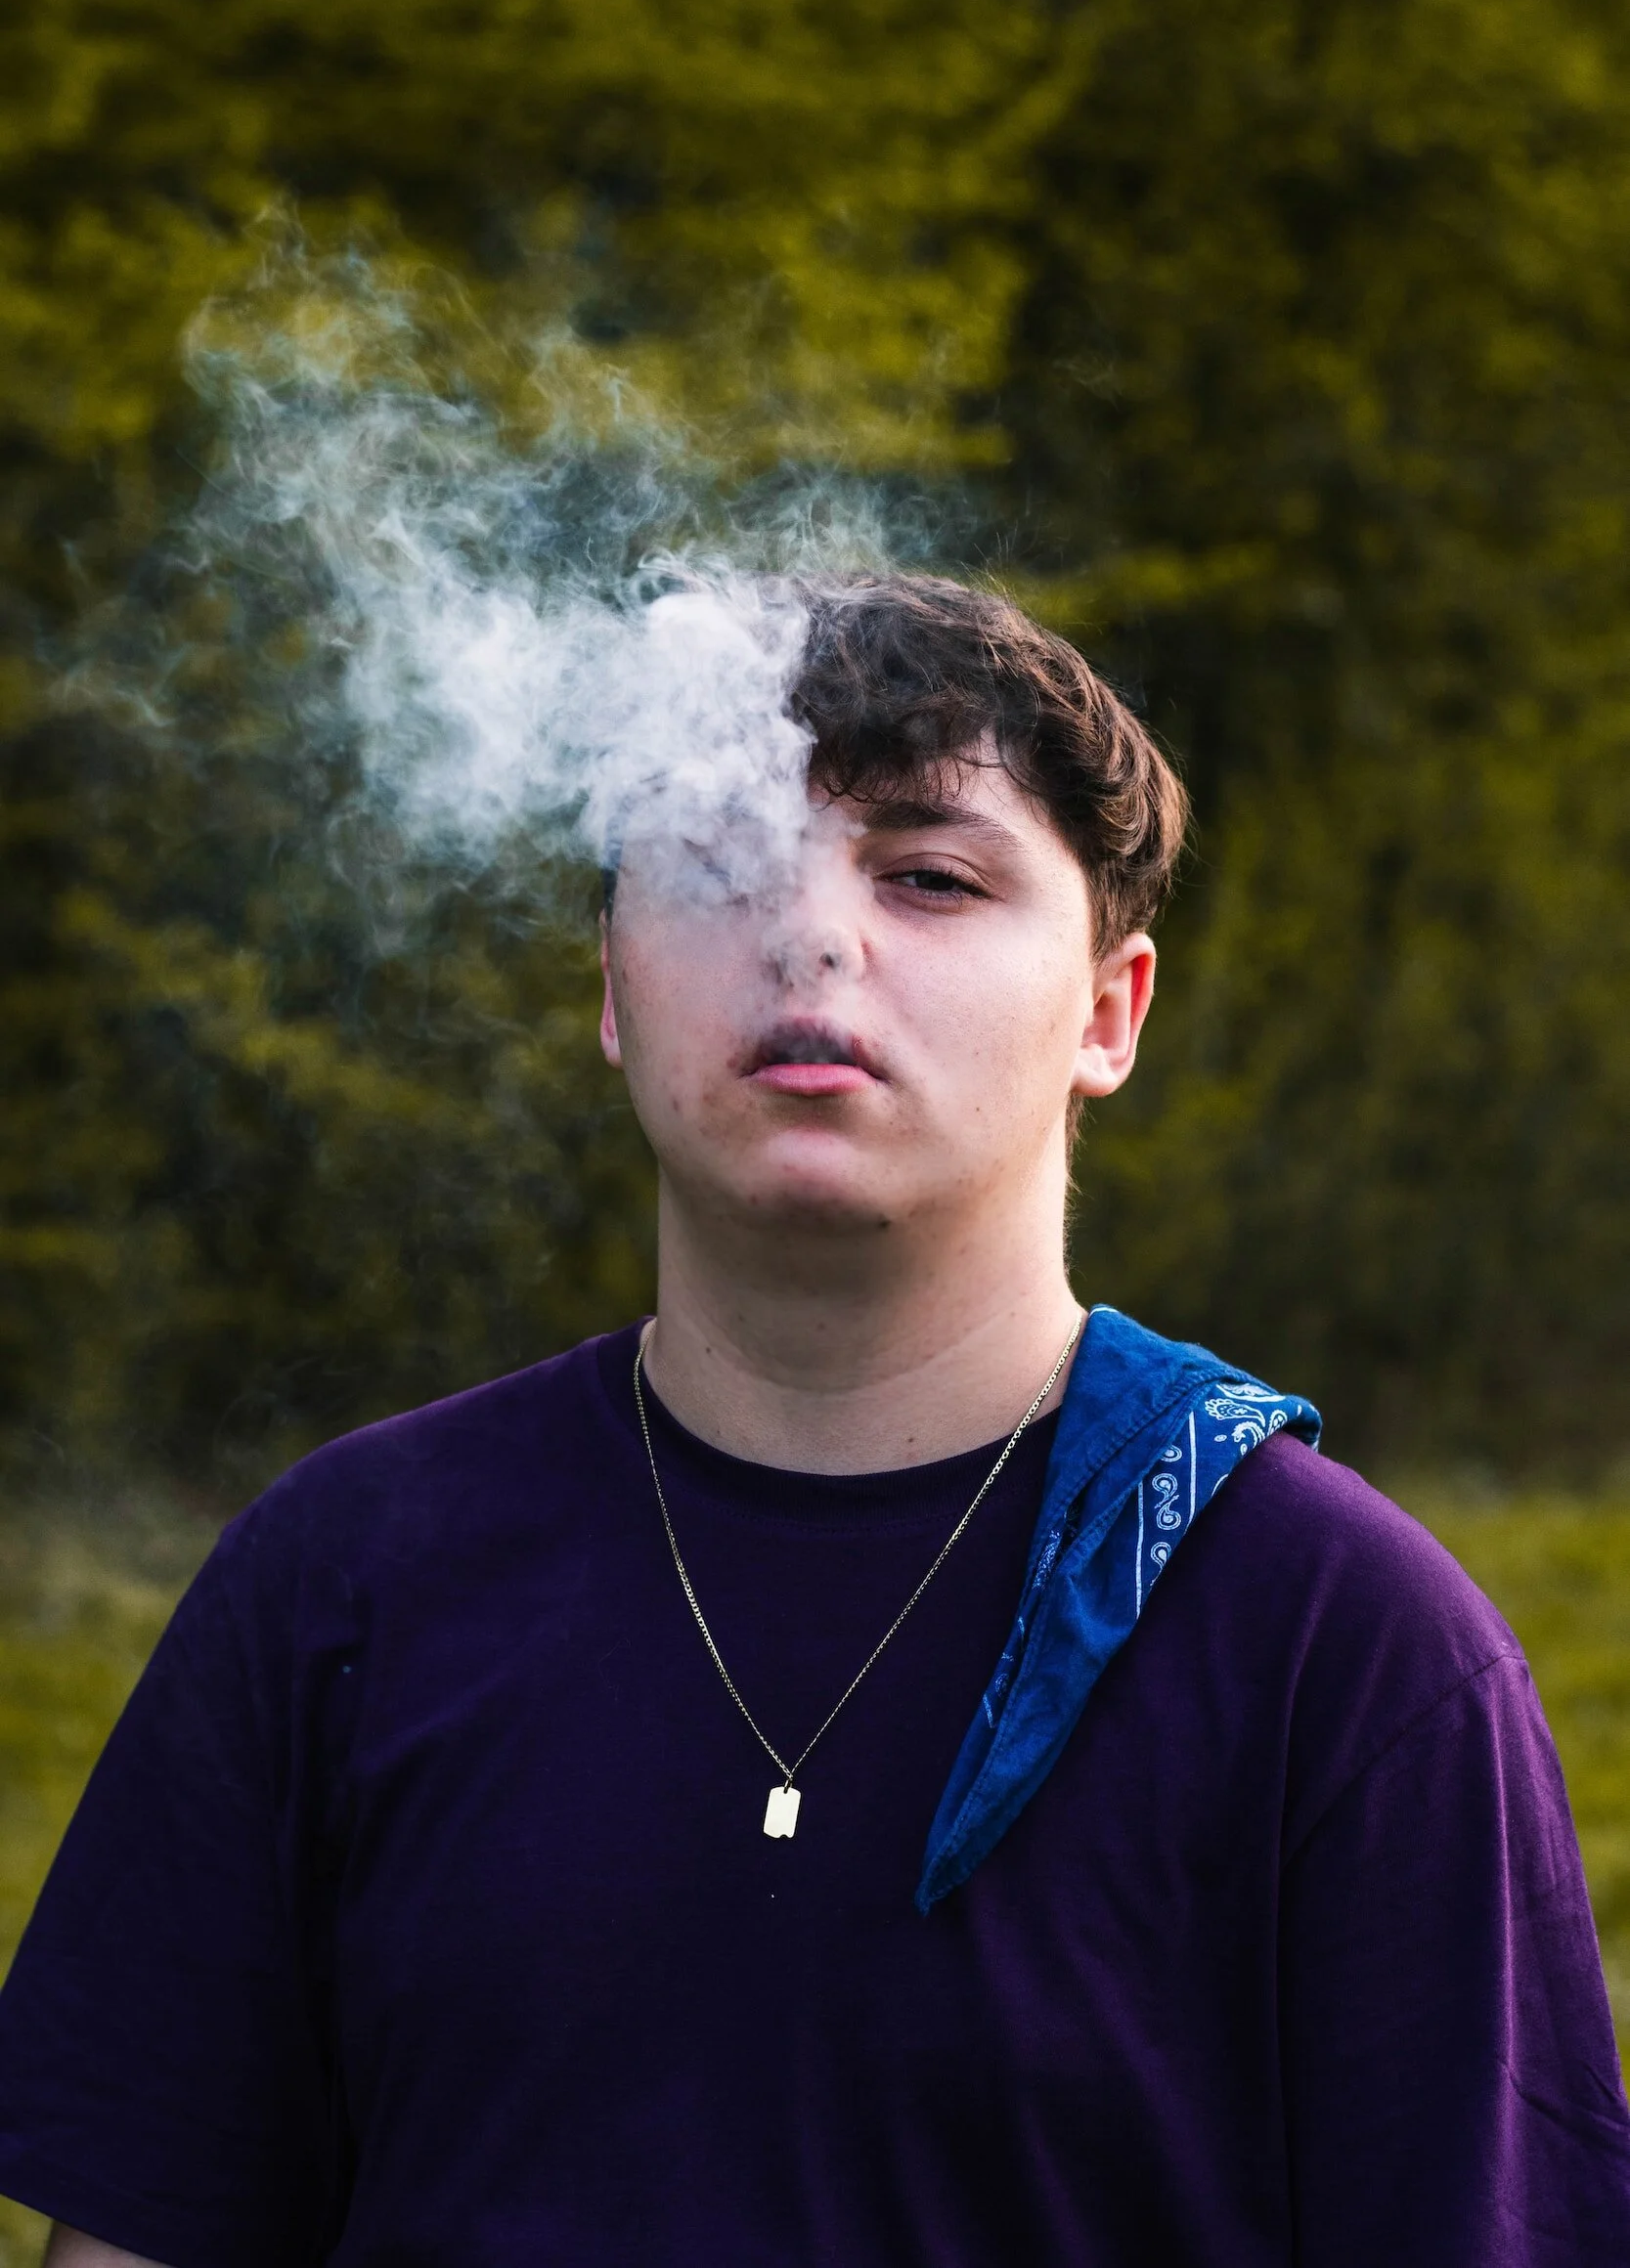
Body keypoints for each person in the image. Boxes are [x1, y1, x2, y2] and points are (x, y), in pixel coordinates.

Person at [1, 573, 1626, 2267]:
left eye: (929, 876)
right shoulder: (339, 1583)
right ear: (614, 988)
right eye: (717, 861)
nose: (808, 936)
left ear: (1107, 1011)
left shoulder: (1343, 1647)